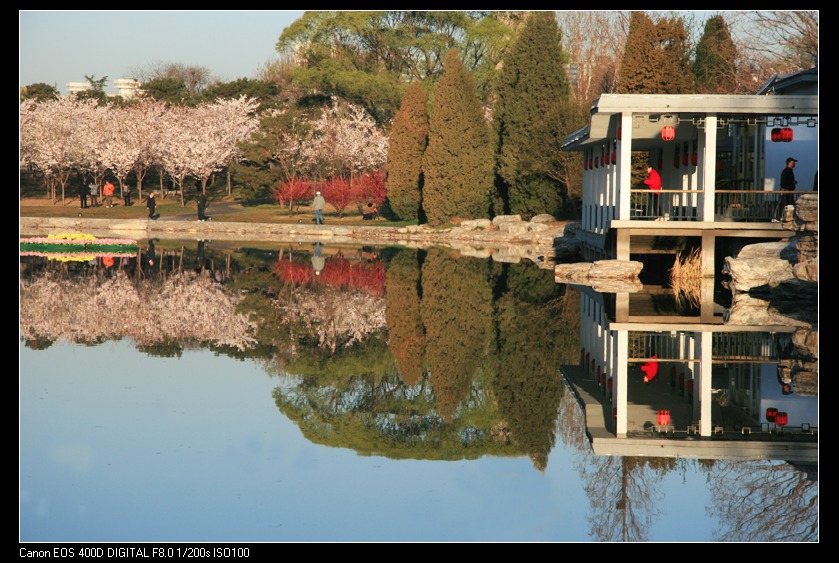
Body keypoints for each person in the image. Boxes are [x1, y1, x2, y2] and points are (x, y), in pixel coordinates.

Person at [777, 157, 798, 221]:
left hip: (789, 192)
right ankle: (783, 218)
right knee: (786, 205)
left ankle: (786, 218)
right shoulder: (787, 171)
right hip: (786, 192)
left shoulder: (789, 171)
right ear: (789, 163)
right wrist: (791, 184)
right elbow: (784, 182)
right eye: (793, 162)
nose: (794, 164)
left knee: (789, 205)